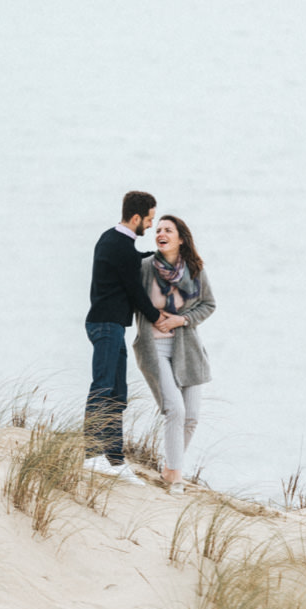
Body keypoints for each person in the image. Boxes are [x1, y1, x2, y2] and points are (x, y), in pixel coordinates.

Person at [83, 190, 180, 484]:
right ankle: (92, 455)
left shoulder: (112, 240)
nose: (151, 226)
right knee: (103, 386)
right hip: (106, 325)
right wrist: (157, 318)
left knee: (117, 391)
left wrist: (156, 256)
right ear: (136, 217)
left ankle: (114, 459)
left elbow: (131, 263)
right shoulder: (119, 246)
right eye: (149, 220)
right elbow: (134, 290)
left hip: (110, 325)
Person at [132, 214, 214, 494]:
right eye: (158, 230)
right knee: (174, 410)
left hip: (187, 349)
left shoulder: (195, 269)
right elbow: (133, 296)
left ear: (180, 237)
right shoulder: (145, 267)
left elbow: (208, 304)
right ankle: (176, 478)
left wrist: (182, 320)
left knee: (191, 417)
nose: (161, 233)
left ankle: (169, 469)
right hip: (154, 349)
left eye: (168, 230)